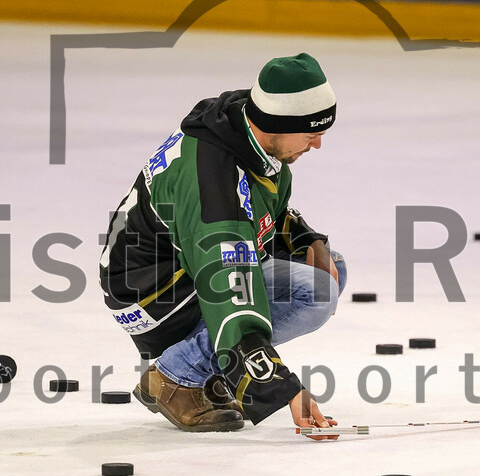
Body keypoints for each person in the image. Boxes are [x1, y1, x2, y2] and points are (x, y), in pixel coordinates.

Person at [99, 53, 344, 439]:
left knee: (329, 266)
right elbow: (229, 291)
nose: (317, 144)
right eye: (310, 133)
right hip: (153, 296)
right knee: (314, 292)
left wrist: (306, 238)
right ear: (278, 124)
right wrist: (280, 388)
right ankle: (175, 376)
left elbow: (261, 211)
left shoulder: (244, 128)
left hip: (183, 267)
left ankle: (203, 365)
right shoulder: (214, 184)